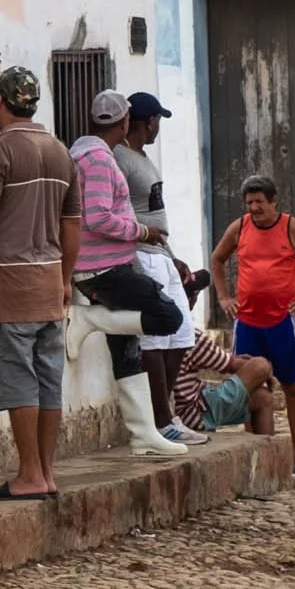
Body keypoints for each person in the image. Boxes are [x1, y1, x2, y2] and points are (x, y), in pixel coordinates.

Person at [0, 65, 82, 500]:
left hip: (9, 285)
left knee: (18, 377)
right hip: (48, 284)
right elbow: (73, 224)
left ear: (0, 103)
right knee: (48, 379)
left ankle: (28, 474)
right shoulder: (60, 151)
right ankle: (45, 472)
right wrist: (65, 279)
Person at [65, 90, 186, 457]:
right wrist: (142, 231)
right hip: (103, 268)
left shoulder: (82, 153)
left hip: (99, 266)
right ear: (122, 122)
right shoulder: (99, 159)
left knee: (127, 350)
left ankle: (143, 432)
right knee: (168, 317)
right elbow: (99, 216)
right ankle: (90, 319)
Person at [209, 175, 295, 477]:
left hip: (282, 322)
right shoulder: (239, 228)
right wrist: (223, 297)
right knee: (250, 388)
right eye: (250, 203)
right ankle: (256, 454)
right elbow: (217, 259)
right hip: (247, 321)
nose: (255, 208)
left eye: (260, 202)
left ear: (274, 202)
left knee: (293, 388)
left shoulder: (292, 227)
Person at [114, 91, 206, 445]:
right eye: (156, 121)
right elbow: (122, 212)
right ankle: (161, 419)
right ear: (148, 121)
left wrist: (172, 254)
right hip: (140, 253)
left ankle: (165, 412)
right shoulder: (120, 159)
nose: (157, 128)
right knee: (153, 338)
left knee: (180, 332)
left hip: (160, 252)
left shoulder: (143, 158)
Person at [174, 332, 276, 436]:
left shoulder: (166, 335)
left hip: (183, 412)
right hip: (194, 413)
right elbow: (230, 364)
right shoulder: (188, 335)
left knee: (263, 397)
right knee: (261, 365)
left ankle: (266, 448)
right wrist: (266, 370)